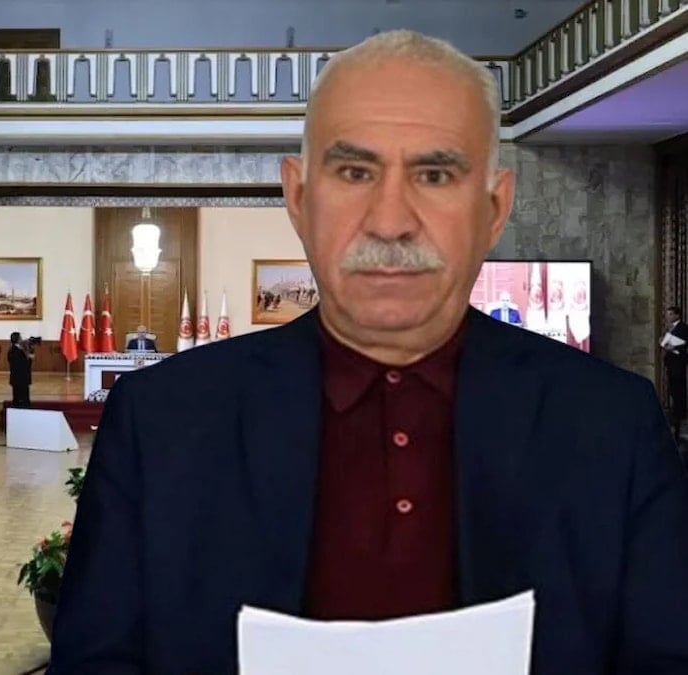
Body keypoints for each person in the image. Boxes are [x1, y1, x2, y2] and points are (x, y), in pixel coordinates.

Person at [49, 30, 688, 674]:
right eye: (355, 172)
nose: (390, 222)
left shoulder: (613, 426)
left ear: (494, 208)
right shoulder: (159, 420)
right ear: (299, 199)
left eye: (434, 174)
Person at [663, 306, 688, 438]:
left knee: (679, 390)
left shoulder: (683, 328)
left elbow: (684, 346)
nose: (668, 317)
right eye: (668, 314)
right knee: (673, 389)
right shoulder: (670, 328)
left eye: (671, 314)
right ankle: (675, 414)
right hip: (671, 363)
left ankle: (680, 415)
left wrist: (674, 348)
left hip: (679, 364)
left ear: (677, 315)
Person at [7, 332, 32, 408]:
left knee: (18, 399)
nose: (22, 339)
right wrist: (30, 357)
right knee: (22, 401)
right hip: (21, 379)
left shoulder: (13, 350)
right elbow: (24, 364)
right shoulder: (15, 351)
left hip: (18, 379)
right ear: (18, 339)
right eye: (20, 337)